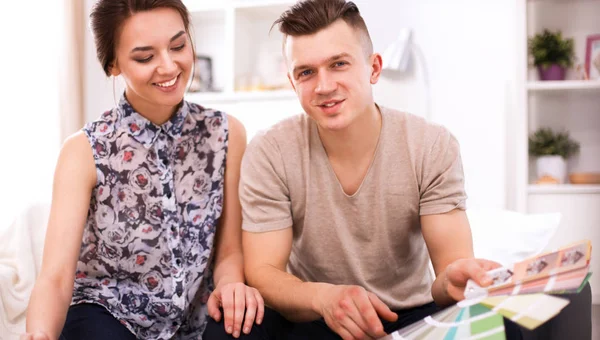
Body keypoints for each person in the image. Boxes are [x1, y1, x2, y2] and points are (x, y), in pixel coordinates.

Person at [239, 0, 521, 339]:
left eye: (339, 64)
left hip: (411, 313)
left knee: (502, 327)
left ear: (374, 68)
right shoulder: (270, 151)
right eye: (306, 72)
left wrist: (456, 277)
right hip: (318, 316)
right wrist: (325, 297)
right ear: (292, 82)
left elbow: (447, 278)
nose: (324, 86)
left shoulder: (431, 144)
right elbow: (263, 271)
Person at [22, 1, 263, 339]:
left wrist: (231, 284)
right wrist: (39, 335)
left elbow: (229, 252)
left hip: (196, 318)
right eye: (145, 57)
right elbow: (56, 277)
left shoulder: (227, 134)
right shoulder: (84, 150)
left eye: (178, 46)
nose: (168, 66)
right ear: (112, 65)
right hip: (108, 316)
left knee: (246, 326)